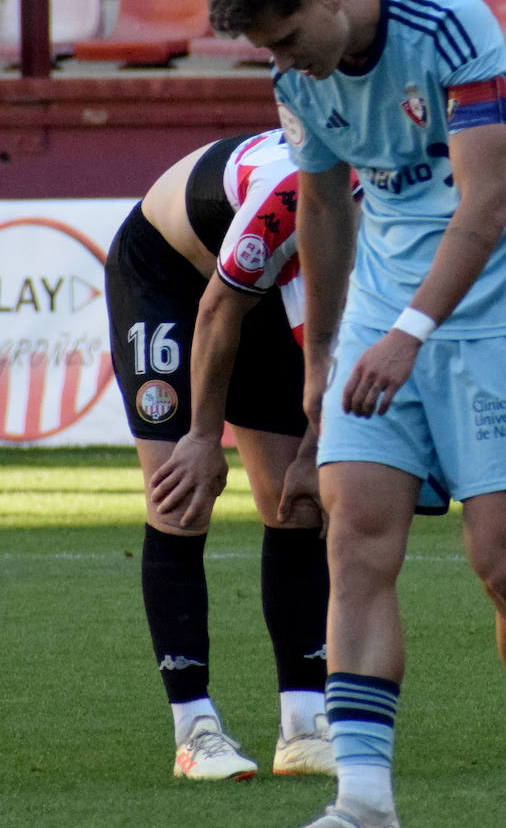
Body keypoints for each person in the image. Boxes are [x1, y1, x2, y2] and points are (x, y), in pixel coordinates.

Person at [207, 0, 506, 828]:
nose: (287, 64)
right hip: (383, 324)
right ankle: (365, 800)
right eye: (271, 51)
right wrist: (324, 352)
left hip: (497, 316)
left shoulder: (452, 27)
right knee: (354, 546)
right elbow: (326, 208)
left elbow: (488, 203)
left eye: (292, 39)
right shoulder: (295, 79)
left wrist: (410, 333)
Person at [105, 128, 342, 782]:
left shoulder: (409, 209)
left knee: (297, 503)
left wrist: (316, 450)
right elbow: (216, 311)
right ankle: (195, 729)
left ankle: (303, 724)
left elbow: (333, 345)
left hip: (262, 294)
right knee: (183, 492)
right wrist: (204, 438)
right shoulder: (293, 194)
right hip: (174, 281)